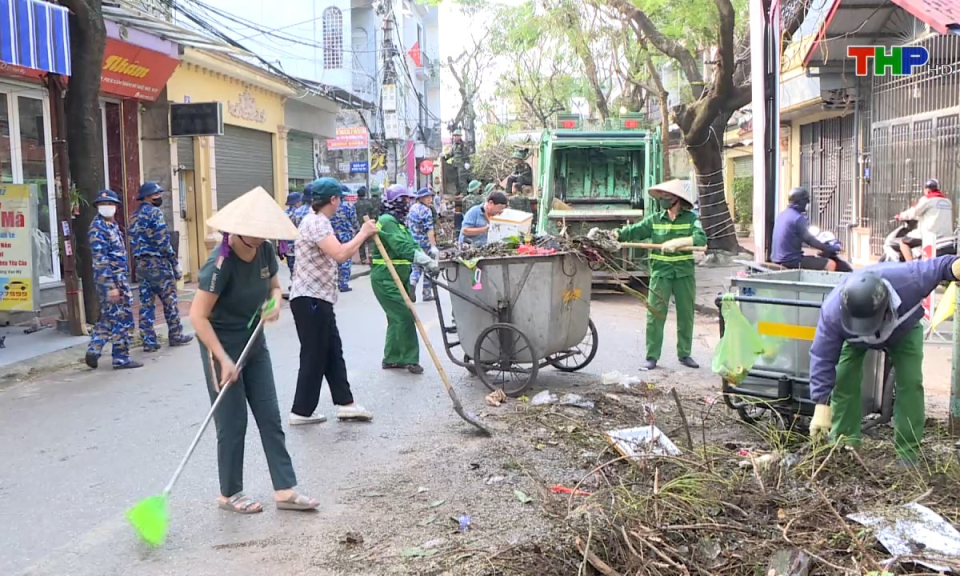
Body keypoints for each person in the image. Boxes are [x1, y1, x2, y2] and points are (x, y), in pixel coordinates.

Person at [189, 186, 318, 514]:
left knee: (270, 415)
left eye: (264, 236)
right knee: (232, 423)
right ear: (237, 232)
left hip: (253, 343)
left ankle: (285, 489)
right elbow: (197, 316)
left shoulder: (264, 251)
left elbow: (275, 286)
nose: (259, 242)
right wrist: (223, 359)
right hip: (221, 345)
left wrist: (274, 303)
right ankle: (229, 493)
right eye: (254, 237)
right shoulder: (220, 264)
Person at [808, 256, 960, 465]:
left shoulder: (910, 280)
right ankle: (844, 446)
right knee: (843, 379)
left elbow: (943, 266)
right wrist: (821, 403)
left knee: (910, 383)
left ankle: (908, 455)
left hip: (903, 330)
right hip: (855, 339)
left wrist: (955, 267)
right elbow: (822, 357)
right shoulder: (833, 312)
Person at [289, 178, 378, 425]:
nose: (340, 203)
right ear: (333, 200)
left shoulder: (317, 220)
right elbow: (339, 254)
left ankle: (345, 403)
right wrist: (363, 234)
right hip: (311, 298)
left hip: (319, 298)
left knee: (331, 352)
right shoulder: (316, 222)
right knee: (314, 354)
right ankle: (301, 411)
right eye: (340, 198)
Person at [610, 179, 706, 371]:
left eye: (666, 197)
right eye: (661, 197)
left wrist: (679, 242)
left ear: (676, 199)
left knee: (685, 315)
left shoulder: (690, 218)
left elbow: (700, 238)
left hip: (683, 274)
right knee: (655, 315)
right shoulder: (654, 220)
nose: (662, 199)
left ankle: (684, 354)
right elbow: (634, 231)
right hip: (660, 273)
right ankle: (652, 356)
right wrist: (615, 234)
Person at [371, 184, 439, 373]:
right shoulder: (387, 221)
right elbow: (401, 246)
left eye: (409, 199)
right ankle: (409, 359)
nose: (408, 203)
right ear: (394, 202)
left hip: (399, 276)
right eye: (404, 200)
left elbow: (411, 244)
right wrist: (424, 260)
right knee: (404, 316)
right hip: (385, 278)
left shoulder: (399, 222)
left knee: (395, 318)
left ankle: (392, 358)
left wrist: (426, 259)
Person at [129, 182, 193, 353]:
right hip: (159, 265)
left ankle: (149, 341)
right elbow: (163, 242)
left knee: (146, 304)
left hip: (141, 266)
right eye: (156, 195)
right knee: (169, 301)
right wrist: (174, 262)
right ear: (148, 197)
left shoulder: (133, 216)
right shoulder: (155, 213)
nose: (159, 197)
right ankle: (175, 335)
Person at [85, 190, 142, 370]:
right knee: (121, 318)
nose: (107, 207)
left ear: (116, 207)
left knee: (110, 316)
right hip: (110, 280)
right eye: (103, 204)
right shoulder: (98, 228)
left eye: (110, 204)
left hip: (118, 278)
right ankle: (121, 358)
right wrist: (111, 287)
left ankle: (94, 350)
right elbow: (100, 260)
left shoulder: (112, 225)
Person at [771, 187, 842, 271]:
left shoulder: (782, 214)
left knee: (810, 258)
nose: (807, 204)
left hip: (776, 258)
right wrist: (830, 248)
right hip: (791, 261)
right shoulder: (798, 218)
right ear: (801, 201)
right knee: (831, 264)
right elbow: (810, 240)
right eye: (806, 201)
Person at [896, 178, 952, 262]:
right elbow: (933, 214)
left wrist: (900, 216)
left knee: (903, 242)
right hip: (946, 237)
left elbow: (913, 212)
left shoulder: (927, 199)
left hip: (930, 235)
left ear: (927, 189)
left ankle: (911, 266)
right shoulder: (947, 201)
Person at [407, 187, 440, 302]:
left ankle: (412, 283)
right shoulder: (426, 211)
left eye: (430, 197)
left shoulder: (412, 208)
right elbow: (429, 229)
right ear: (421, 198)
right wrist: (433, 245)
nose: (430, 199)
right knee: (429, 267)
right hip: (425, 243)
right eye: (427, 197)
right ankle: (426, 293)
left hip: (413, 243)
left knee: (416, 267)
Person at [331, 184, 360, 292]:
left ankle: (331, 282)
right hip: (345, 235)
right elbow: (354, 220)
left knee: (332, 258)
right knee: (345, 260)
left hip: (332, 235)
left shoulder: (331, 205)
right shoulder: (349, 206)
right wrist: (358, 231)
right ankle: (343, 283)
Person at [280, 191, 303, 280]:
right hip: (298, 245)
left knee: (291, 266)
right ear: (297, 202)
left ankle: (293, 282)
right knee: (300, 267)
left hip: (288, 246)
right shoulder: (299, 213)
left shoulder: (284, 214)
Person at [354, 186, 378, 264]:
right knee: (370, 241)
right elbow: (373, 215)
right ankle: (371, 254)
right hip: (368, 224)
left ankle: (363, 258)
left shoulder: (355, 205)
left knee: (361, 242)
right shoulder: (369, 204)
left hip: (358, 225)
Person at [447, 129, 470, 195]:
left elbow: (466, 154)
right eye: (455, 136)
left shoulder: (463, 144)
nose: (455, 137)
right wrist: (444, 156)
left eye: (457, 135)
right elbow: (451, 154)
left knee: (462, 179)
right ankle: (458, 191)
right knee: (456, 179)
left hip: (461, 165)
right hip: (455, 165)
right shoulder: (453, 145)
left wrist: (467, 162)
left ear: (460, 136)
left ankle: (463, 193)